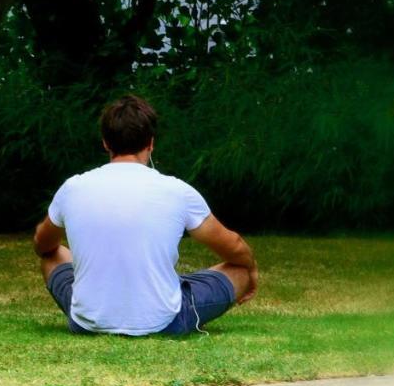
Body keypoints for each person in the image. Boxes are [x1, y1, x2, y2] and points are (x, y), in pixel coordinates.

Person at [33, 94, 258, 335]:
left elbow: (42, 244)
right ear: (151, 143)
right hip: (164, 321)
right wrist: (251, 268)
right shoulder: (176, 190)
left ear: (106, 143)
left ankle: (98, 310)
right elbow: (232, 246)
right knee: (239, 270)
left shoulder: (73, 188)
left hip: (86, 322)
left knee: (52, 255)